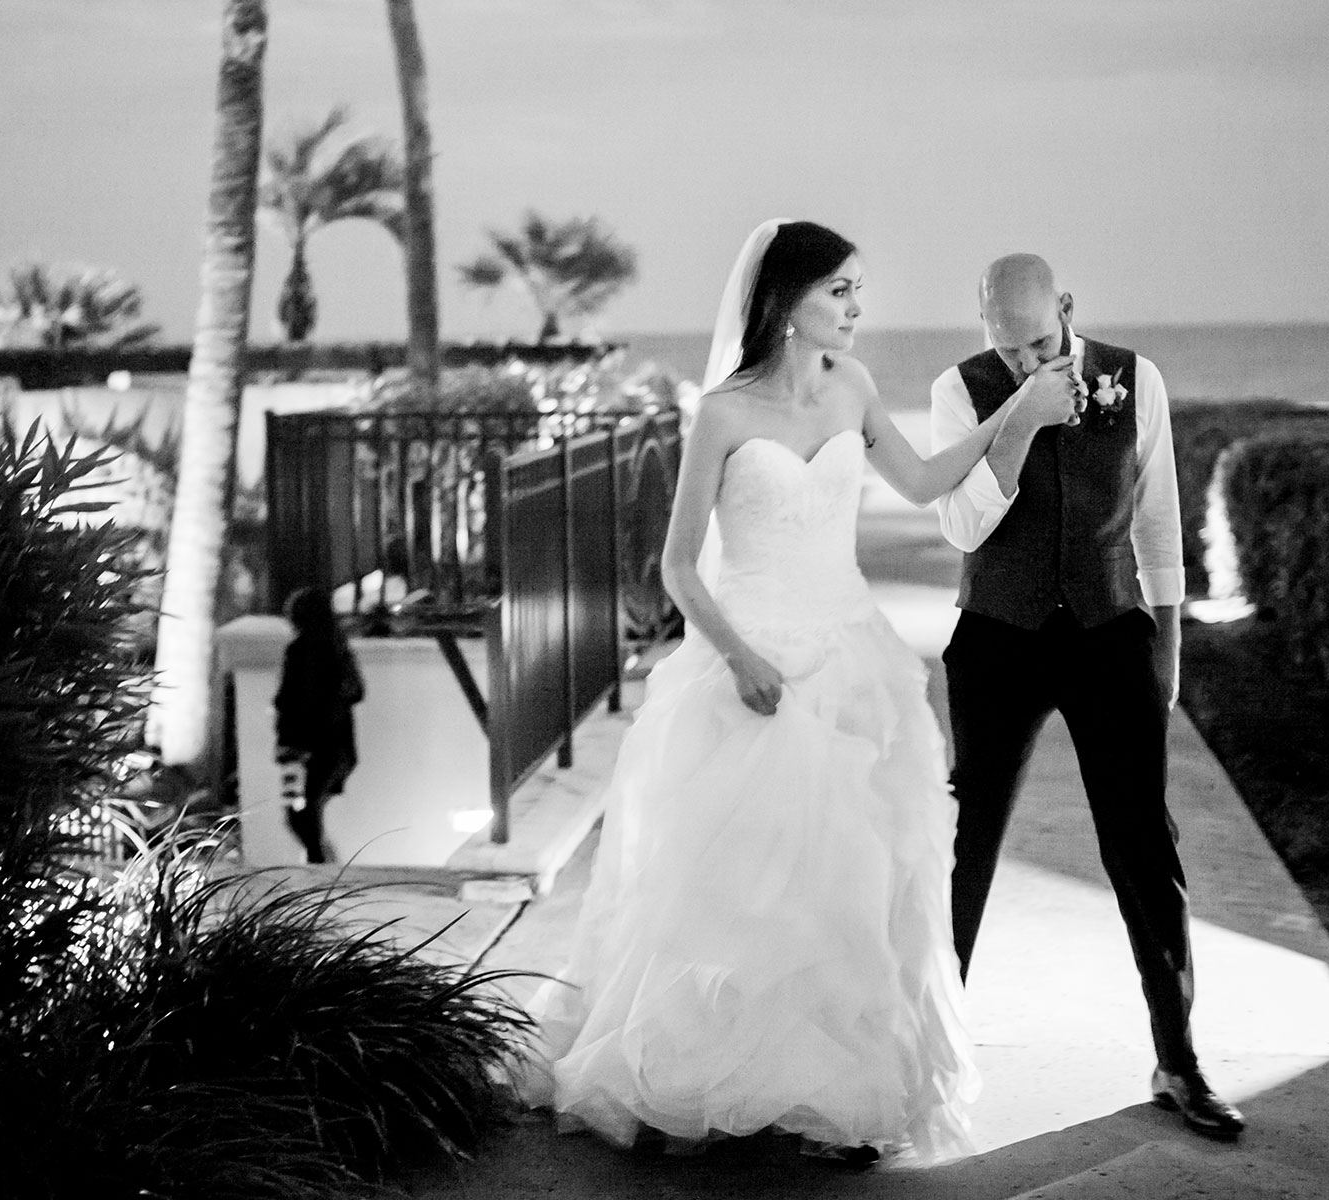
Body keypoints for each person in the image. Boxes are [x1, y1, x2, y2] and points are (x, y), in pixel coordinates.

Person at [518, 220, 1078, 1166]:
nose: (858, 309)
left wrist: (1013, 413)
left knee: (848, 889)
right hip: (752, 659)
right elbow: (677, 566)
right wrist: (738, 657)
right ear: (786, 304)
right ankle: (693, 1076)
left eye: (860, 291)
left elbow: (926, 480)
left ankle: (830, 1097)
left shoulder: (855, 388)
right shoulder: (726, 414)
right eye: (840, 293)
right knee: (739, 893)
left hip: (852, 659)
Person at [930, 253, 1244, 1138]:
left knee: (1145, 845)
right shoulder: (960, 389)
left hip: (1109, 629)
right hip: (999, 633)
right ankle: (924, 1064)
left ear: (1065, 309)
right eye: (1009, 346)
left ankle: (1178, 1060)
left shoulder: (1137, 379)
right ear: (984, 327)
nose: (1027, 360)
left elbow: (1155, 515)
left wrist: (1168, 645)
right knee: (966, 845)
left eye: (1038, 343)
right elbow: (961, 524)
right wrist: (1019, 423)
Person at [274, 587, 365, 865]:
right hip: (329, 746)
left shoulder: (303, 651)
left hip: (306, 747)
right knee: (305, 809)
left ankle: (319, 865)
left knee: (300, 810)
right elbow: (356, 691)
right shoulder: (338, 649)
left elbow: (291, 699)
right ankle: (320, 862)